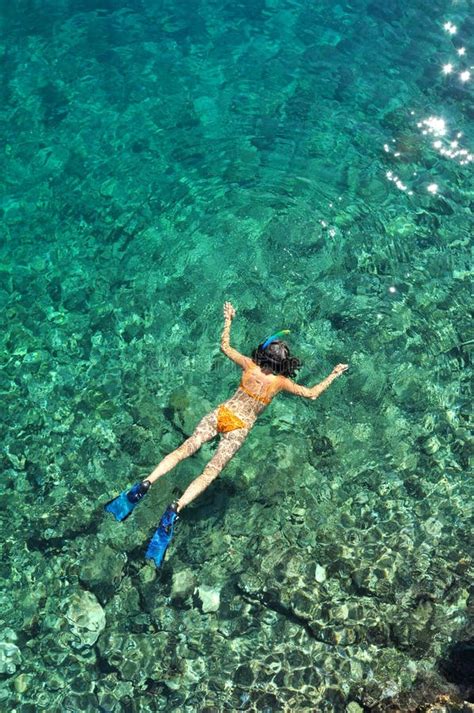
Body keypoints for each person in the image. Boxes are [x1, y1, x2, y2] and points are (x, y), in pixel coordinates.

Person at [105, 301, 348, 566]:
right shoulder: (280, 382)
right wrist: (334, 374)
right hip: (239, 427)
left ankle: (146, 483)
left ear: (263, 355)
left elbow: (224, 347)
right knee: (209, 472)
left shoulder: (248, 366)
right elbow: (311, 394)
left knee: (185, 448)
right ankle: (177, 508)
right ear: (282, 364)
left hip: (221, 413)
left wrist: (229, 319)